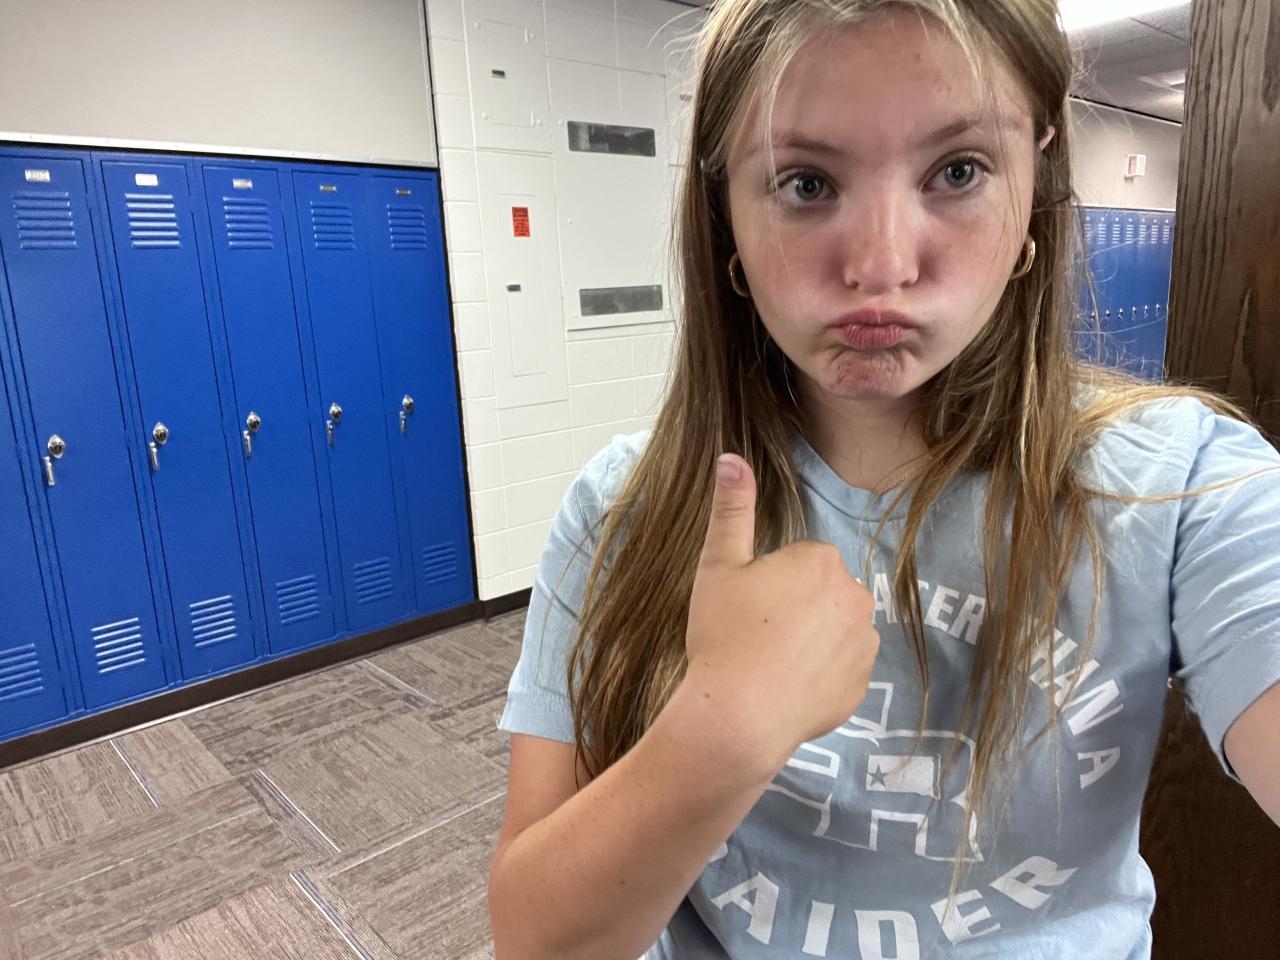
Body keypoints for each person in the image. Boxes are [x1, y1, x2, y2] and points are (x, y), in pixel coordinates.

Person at [486, 1, 1280, 957]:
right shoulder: (625, 509)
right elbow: (535, 939)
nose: (881, 264)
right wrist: (720, 733)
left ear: (1034, 188)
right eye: (806, 183)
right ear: (726, 217)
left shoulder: (1182, 487)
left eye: (958, 171)